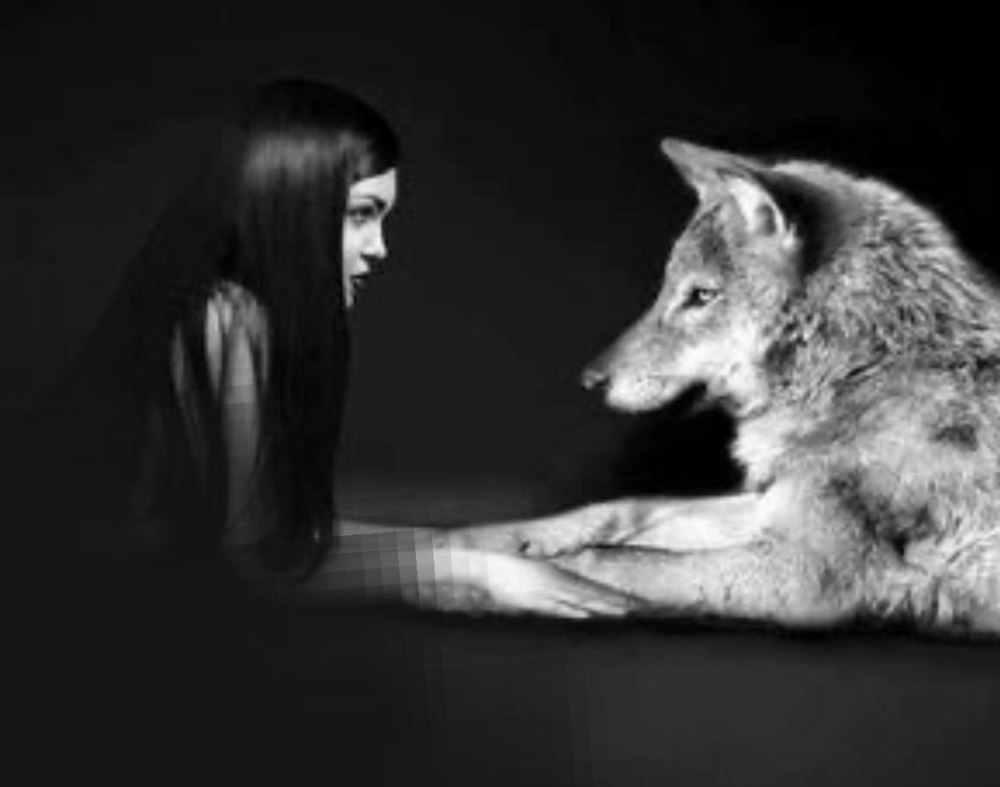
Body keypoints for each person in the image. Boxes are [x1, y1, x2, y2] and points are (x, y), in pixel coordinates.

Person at [9, 77, 629, 620]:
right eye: (361, 214)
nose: (380, 247)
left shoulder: (237, 310)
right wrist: (468, 569)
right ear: (291, 207)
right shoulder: (225, 315)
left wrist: (460, 547)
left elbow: (278, 540)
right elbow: (262, 565)